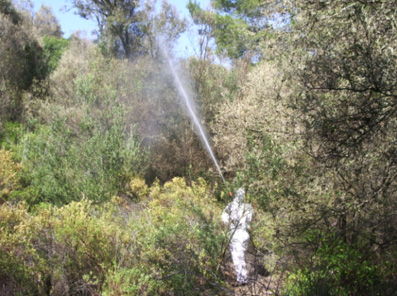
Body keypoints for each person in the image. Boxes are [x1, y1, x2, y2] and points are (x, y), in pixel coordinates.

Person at [222, 188, 253, 284]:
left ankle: (242, 278)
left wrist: (238, 217)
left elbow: (249, 218)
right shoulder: (230, 206)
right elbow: (224, 216)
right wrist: (229, 219)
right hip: (234, 233)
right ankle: (241, 278)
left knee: (239, 255)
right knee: (237, 256)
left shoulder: (247, 207)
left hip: (241, 233)